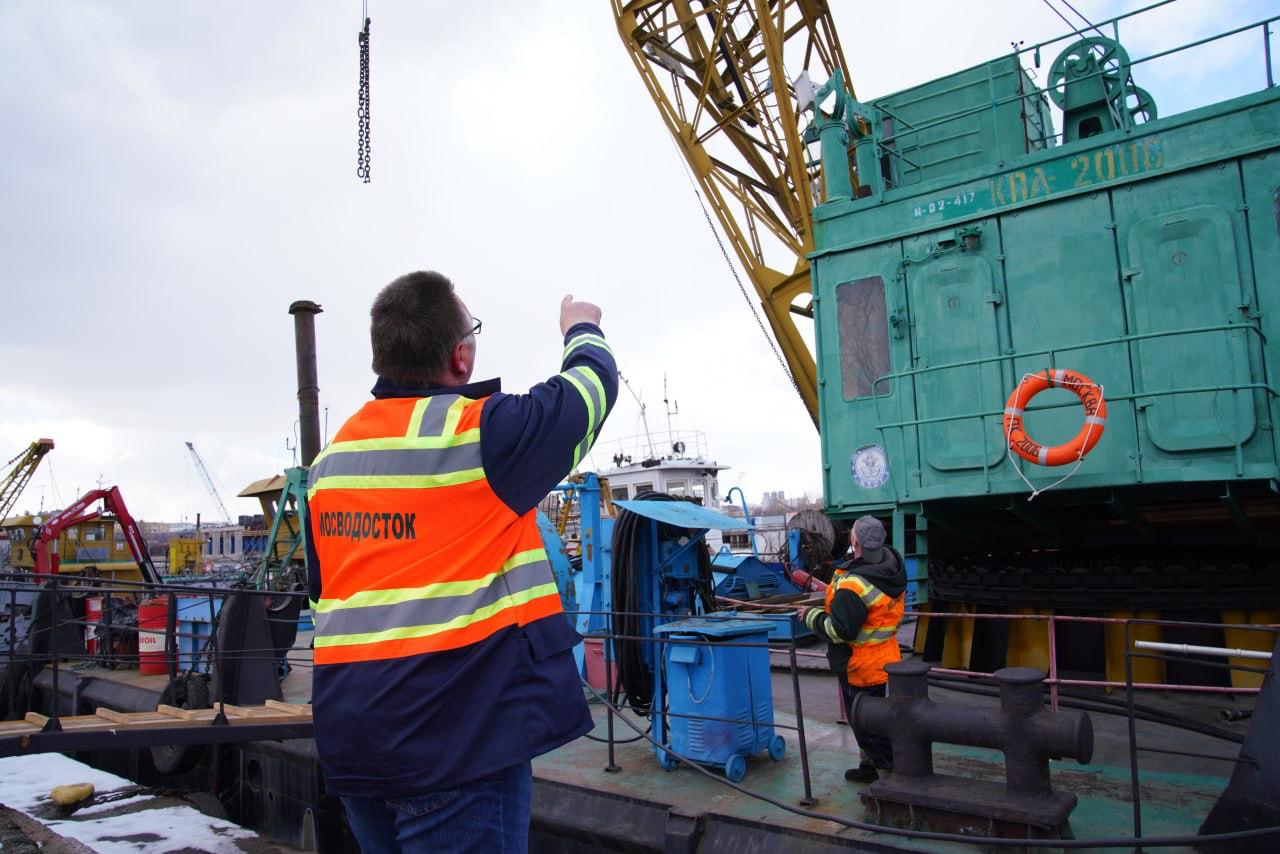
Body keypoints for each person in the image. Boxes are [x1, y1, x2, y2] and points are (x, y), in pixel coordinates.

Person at [305, 271, 617, 852]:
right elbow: (589, 392)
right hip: (455, 741)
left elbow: (323, 592)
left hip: (353, 743)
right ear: (460, 357)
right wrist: (582, 325)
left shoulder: (332, 462)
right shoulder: (481, 436)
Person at [800, 515, 907, 784]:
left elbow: (839, 630)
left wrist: (810, 616)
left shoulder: (854, 585)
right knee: (873, 720)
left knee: (866, 723)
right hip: (885, 657)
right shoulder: (892, 566)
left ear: (854, 541)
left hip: (859, 666)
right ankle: (868, 766)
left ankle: (887, 780)